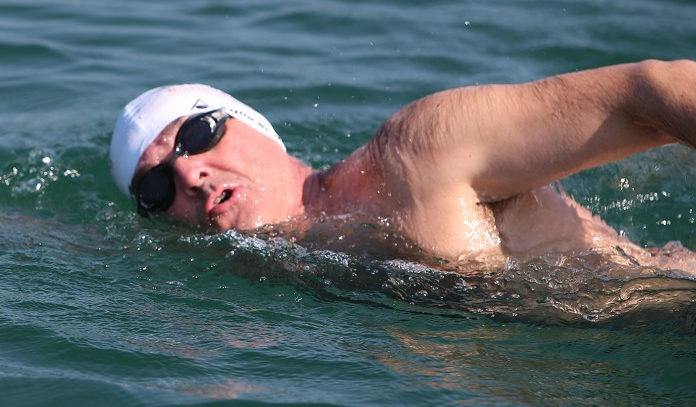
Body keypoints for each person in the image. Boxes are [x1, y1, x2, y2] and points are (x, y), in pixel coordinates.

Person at [109, 60, 696, 272]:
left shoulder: (417, 153)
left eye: (197, 134)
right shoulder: (271, 273)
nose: (189, 176)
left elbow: (649, 94)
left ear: (252, 122)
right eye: (156, 188)